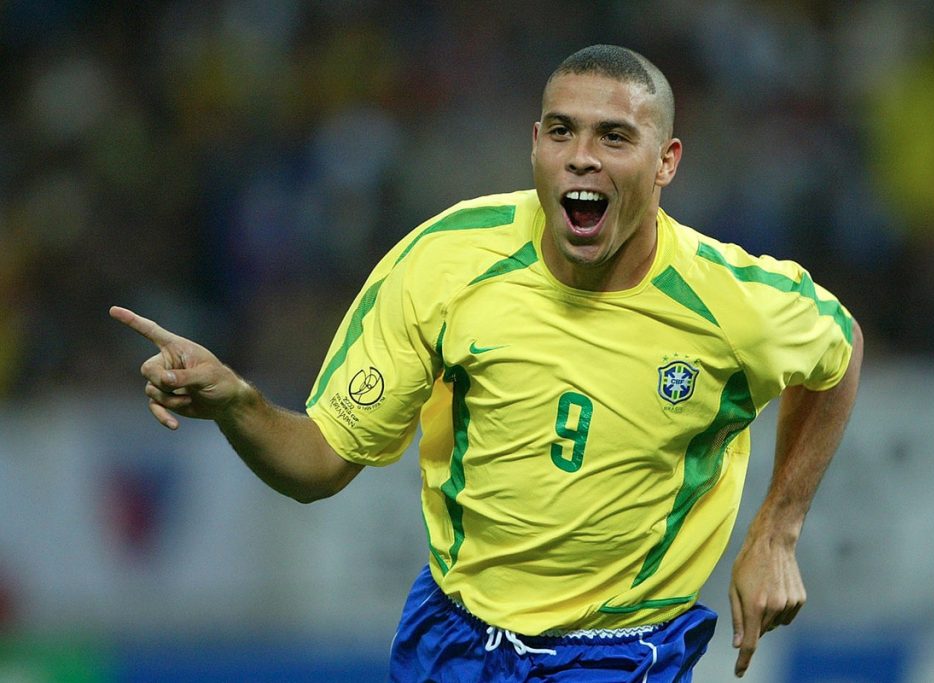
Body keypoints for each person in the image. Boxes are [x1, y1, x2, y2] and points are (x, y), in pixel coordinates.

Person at [111, 44, 863, 681]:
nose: (582, 158)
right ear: (534, 142)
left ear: (666, 162)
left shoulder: (729, 301)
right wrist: (237, 402)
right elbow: (319, 463)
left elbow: (839, 349)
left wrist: (777, 529)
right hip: (454, 640)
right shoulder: (445, 263)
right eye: (562, 132)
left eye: (613, 137)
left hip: (625, 651)